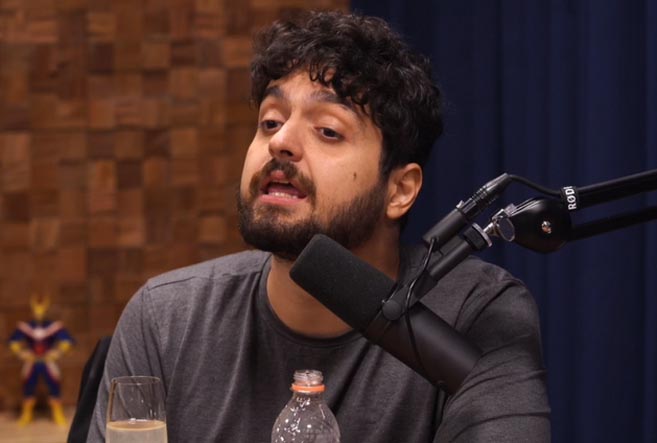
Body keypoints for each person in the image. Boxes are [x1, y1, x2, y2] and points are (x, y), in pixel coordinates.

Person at [88, 10, 550, 442]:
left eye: (328, 130)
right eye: (270, 121)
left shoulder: (476, 314)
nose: (281, 142)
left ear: (399, 191)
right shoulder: (166, 319)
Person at [8, 294, 73, 427]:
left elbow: (67, 341)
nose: (39, 314)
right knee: (28, 385)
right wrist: (21, 353)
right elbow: (13, 342)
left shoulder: (53, 326)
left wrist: (58, 352)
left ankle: (57, 413)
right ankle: (27, 414)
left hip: (47, 360)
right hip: (32, 360)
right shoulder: (27, 327)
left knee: (54, 384)